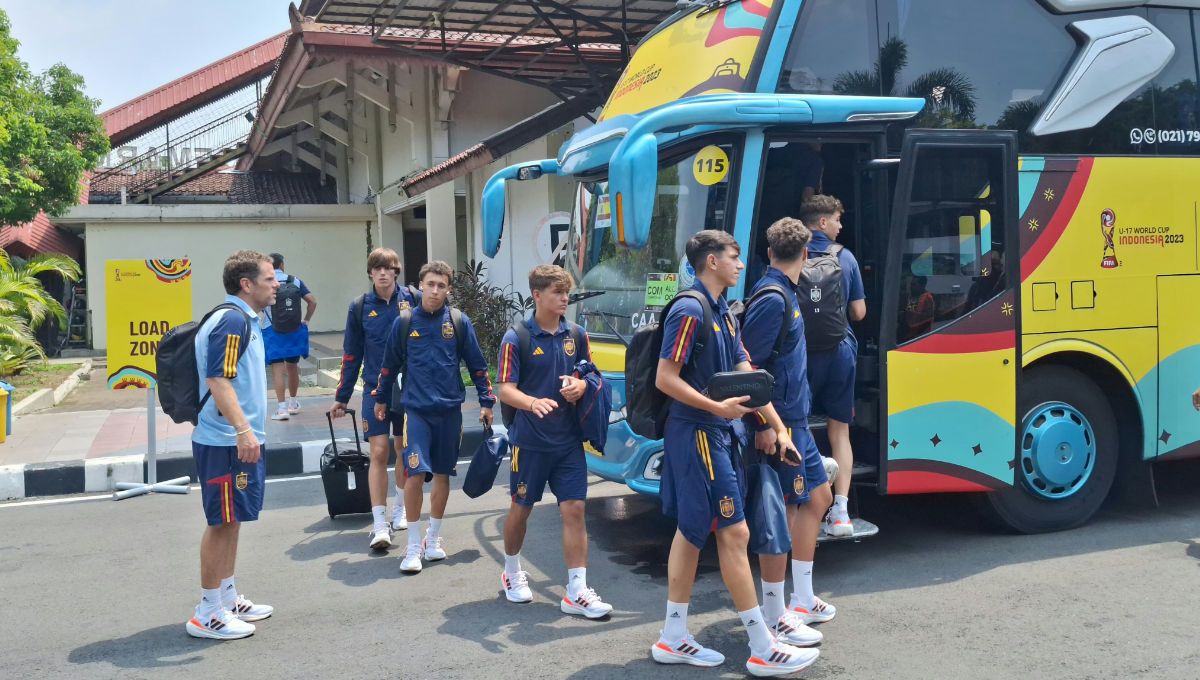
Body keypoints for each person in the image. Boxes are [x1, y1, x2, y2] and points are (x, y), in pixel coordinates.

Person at [649, 230, 818, 677]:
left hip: (719, 433)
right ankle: (762, 645)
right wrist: (715, 407)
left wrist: (777, 428)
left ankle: (672, 637)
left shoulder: (723, 309)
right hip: (700, 434)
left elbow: (748, 371)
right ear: (710, 263)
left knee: (691, 533)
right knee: (734, 533)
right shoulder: (690, 309)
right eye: (734, 257)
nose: (741, 265)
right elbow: (666, 378)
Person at [496, 264, 613, 619]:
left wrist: (582, 386)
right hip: (529, 443)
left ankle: (576, 590)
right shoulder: (516, 337)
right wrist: (531, 402)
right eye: (557, 293)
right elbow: (503, 388)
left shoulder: (576, 334)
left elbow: (590, 372)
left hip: (568, 443)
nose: (565, 298)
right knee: (522, 509)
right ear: (537, 295)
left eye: (567, 292)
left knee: (574, 510)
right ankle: (512, 571)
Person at [742, 218, 837, 647]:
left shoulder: (784, 292)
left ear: (768, 252)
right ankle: (776, 611)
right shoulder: (773, 298)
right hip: (781, 425)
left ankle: (801, 597)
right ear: (805, 255)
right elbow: (750, 368)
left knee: (819, 498)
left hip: (795, 421)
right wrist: (765, 424)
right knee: (783, 515)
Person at [375, 260, 495, 574]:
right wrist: (380, 399)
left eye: (441, 286)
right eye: (430, 284)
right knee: (414, 474)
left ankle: (433, 538)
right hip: (415, 413)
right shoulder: (404, 322)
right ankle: (413, 546)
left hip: (449, 413)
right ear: (421, 285)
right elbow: (387, 367)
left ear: (448, 290)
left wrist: (486, 400)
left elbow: (477, 365)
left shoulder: (458, 321)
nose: (435, 290)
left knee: (442, 476)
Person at [186, 250, 278, 640]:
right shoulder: (233, 320)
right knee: (221, 522)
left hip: (236, 438)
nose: (277, 285)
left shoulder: (245, 320)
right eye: (270, 278)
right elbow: (218, 379)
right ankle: (207, 612)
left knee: (233, 517)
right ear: (247, 284)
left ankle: (226, 595)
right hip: (225, 440)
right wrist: (243, 430)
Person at [331, 248, 417, 551]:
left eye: (388, 268)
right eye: (376, 268)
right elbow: (351, 354)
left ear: (396, 271)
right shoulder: (359, 307)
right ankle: (380, 524)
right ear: (370, 273)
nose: (382, 273)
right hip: (374, 389)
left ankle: (400, 507)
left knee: (404, 449)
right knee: (379, 451)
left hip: (408, 388)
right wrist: (342, 397)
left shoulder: (413, 299)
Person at [799, 195, 865, 537]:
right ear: (822, 222)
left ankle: (802, 499)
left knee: (798, 424)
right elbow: (858, 313)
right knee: (840, 429)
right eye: (838, 220)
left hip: (801, 355)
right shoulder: (845, 257)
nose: (841, 226)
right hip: (839, 352)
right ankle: (840, 513)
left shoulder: (792, 253)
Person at [265, 253, 317, 421]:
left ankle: (281, 409)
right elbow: (312, 301)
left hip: (273, 331)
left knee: (277, 369)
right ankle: (293, 404)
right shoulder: (295, 281)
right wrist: (306, 320)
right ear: (282, 265)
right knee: (292, 367)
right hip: (294, 330)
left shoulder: (265, 283)